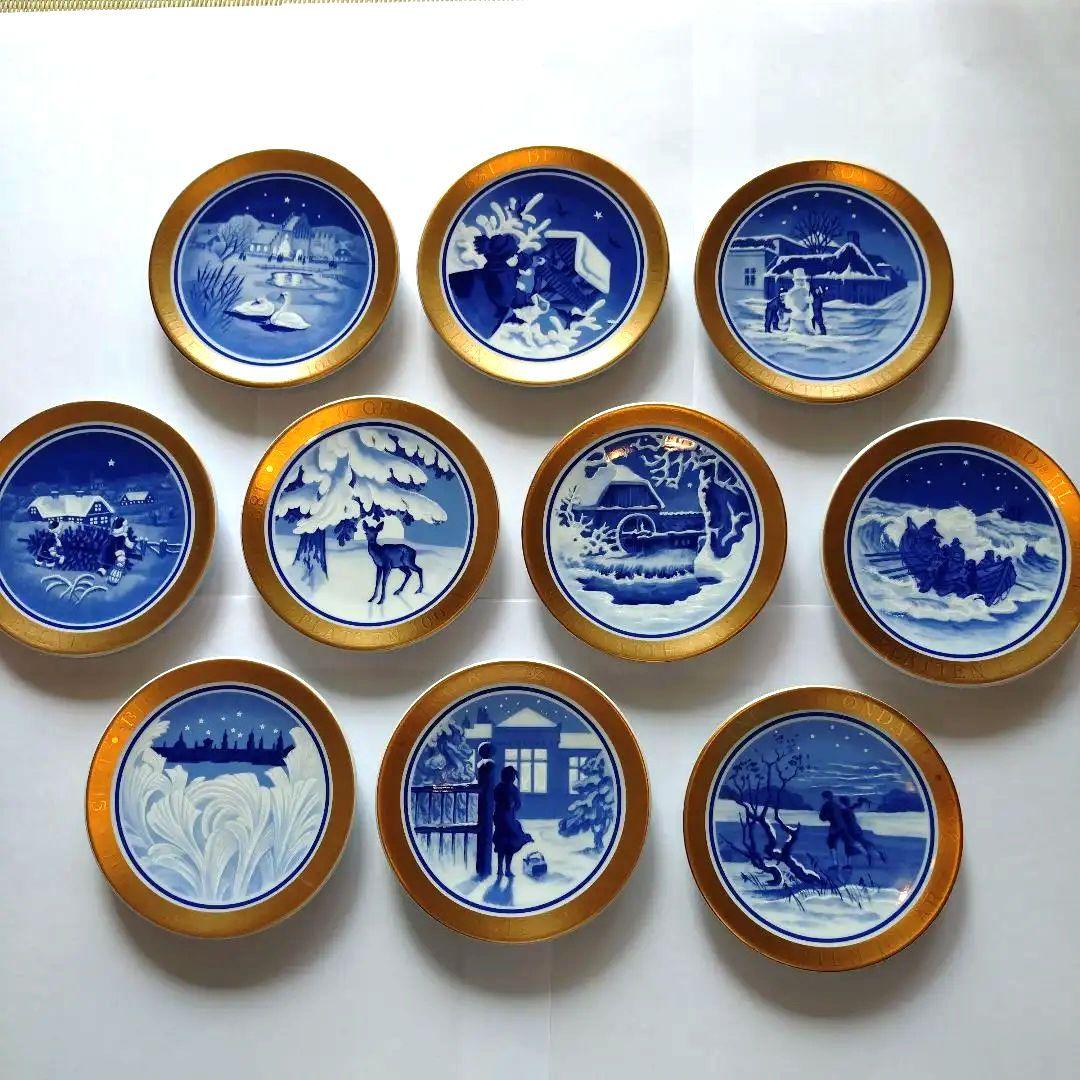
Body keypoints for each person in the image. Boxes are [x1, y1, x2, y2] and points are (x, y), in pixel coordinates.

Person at [492, 765, 533, 878]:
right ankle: (505, 869)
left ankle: (502, 869)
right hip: (505, 820)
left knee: (504, 845)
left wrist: (510, 807)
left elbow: (517, 803)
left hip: (503, 819)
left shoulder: (500, 788)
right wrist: (511, 807)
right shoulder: (509, 789)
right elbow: (518, 804)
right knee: (507, 845)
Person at [838, 795, 886, 866]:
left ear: (842, 803)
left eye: (840, 803)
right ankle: (876, 854)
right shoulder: (847, 809)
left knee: (851, 846)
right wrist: (861, 801)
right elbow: (855, 806)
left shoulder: (844, 811)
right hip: (855, 830)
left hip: (851, 831)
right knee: (856, 845)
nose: (839, 804)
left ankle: (875, 854)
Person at [474, 742, 496, 879]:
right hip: (488, 800)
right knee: (486, 833)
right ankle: (485, 868)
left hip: (482, 800)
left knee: (482, 833)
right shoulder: (490, 765)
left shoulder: (480, 764)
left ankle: (481, 867)